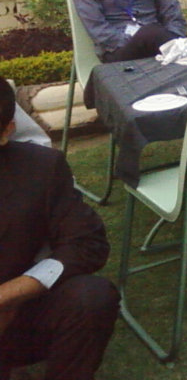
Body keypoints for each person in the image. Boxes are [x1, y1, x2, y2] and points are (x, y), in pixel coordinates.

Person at [0, 80, 119, 380]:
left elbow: (86, 244)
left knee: (91, 297)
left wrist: (13, 294)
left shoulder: (40, 168)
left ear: (7, 132)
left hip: (19, 315)